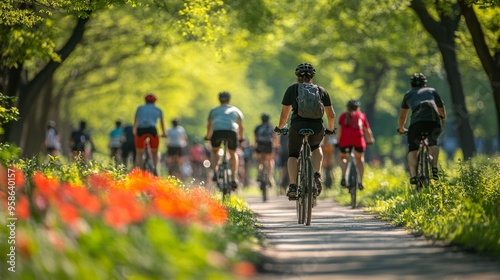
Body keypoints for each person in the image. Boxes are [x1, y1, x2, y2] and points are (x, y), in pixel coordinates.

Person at [274, 62, 336, 199]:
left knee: (293, 154)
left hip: (297, 126)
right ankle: (316, 175)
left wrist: (280, 127)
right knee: (316, 147)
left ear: (297, 76)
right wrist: (330, 129)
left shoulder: (292, 89)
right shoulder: (321, 90)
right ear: (312, 77)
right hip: (316, 127)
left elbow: (284, 114)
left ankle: (292, 185)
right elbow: (331, 115)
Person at [398, 73, 446, 184]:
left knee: (413, 149)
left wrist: (401, 128)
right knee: (433, 143)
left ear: (411, 85)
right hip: (433, 122)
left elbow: (402, 116)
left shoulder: (408, 95)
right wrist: (442, 119)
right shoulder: (432, 91)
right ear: (425, 84)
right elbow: (441, 109)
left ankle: (414, 176)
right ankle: (434, 167)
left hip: (416, 124)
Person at [205, 91, 244, 190]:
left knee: (214, 151)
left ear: (219, 100)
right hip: (231, 132)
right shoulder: (236, 110)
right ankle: (234, 178)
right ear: (229, 100)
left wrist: (208, 136)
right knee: (233, 153)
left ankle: (215, 172)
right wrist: (241, 137)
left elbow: (209, 125)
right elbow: (241, 127)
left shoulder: (214, 111)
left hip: (217, 131)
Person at [337, 99, 375, 190]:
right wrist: (370, 140)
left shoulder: (342, 116)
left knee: (342, 157)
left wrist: (338, 142)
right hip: (358, 141)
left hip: (345, 141)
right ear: (358, 107)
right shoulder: (361, 115)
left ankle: (343, 176)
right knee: (360, 159)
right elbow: (367, 131)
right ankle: (360, 182)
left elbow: (339, 132)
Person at [133, 93, 166, 171]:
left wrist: (134, 131)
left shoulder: (140, 108)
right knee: (155, 152)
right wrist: (164, 133)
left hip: (140, 130)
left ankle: (138, 171)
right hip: (152, 130)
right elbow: (162, 123)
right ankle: (155, 170)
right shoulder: (158, 109)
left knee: (139, 153)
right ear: (155, 101)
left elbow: (135, 121)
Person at [254, 113, 277, 187]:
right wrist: (276, 146)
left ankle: (259, 174)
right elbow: (275, 138)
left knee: (259, 160)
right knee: (270, 160)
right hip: (268, 145)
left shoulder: (258, 127)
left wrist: (254, 146)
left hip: (260, 144)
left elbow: (255, 139)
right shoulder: (271, 127)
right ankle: (269, 177)